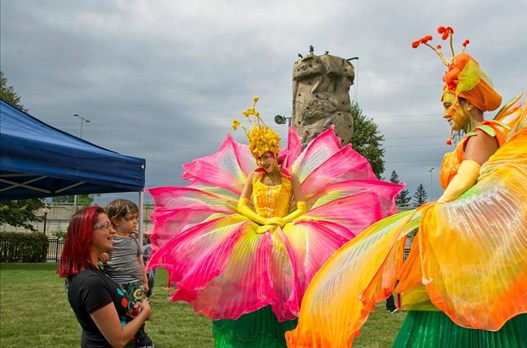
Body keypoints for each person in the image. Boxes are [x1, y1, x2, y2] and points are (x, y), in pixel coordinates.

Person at [287, 28, 527, 347]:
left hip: (472, 254)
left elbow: (466, 177)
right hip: (475, 247)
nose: (446, 114)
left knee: (458, 308)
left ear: (469, 105)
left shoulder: (481, 137)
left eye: (449, 105)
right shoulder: (487, 137)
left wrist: (435, 206)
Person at [146, 96, 402, 347]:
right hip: (256, 228)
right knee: (247, 278)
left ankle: (285, 330)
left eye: (266, 157)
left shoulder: (290, 178)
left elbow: (301, 205)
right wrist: (260, 220)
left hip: (285, 228)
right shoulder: (254, 178)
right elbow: (241, 204)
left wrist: (281, 220)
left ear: (274, 154)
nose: (262, 162)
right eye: (258, 158)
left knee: (286, 277)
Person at [58, 206, 152, 348]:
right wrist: (144, 313)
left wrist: (132, 310)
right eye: (106, 226)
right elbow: (118, 340)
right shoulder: (91, 282)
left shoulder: (91, 272)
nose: (113, 231)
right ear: (87, 233)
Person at [103, 199, 153, 348]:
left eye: (136, 218)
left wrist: (144, 281)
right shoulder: (109, 240)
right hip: (115, 284)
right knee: (120, 312)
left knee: (138, 309)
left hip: (134, 283)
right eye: (130, 219)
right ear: (116, 221)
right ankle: (121, 334)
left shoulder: (134, 241)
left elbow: (140, 263)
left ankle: (140, 336)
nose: (135, 222)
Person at [142, 234, 155, 299]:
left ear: (146, 238)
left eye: (142, 238)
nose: (141, 239)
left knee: (149, 280)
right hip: (141, 267)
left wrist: (140, 256)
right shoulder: (140, 246)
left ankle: (148, 296)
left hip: (148, 268)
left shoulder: (149, 246)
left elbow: (150, 257)